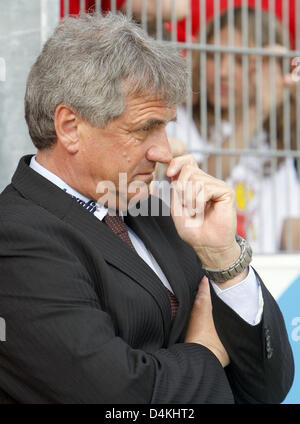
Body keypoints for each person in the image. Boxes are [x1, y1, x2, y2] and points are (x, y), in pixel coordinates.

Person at [0, 12, 294, 404]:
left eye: (166, 127)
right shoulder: (16, 234)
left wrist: (224, 257)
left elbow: (268, 386)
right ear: (70, 127)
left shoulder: (158, 208)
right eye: (144, 129)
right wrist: (206, 350)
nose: (162, 151)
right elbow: (118, 397)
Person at [167, 7, 300, 254]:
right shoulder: (178, 120)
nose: (223, 72)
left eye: (240, 61)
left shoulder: (272, 138)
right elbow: (196, 192)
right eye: (213, 56)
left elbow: (292, 231)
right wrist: (257, 111)